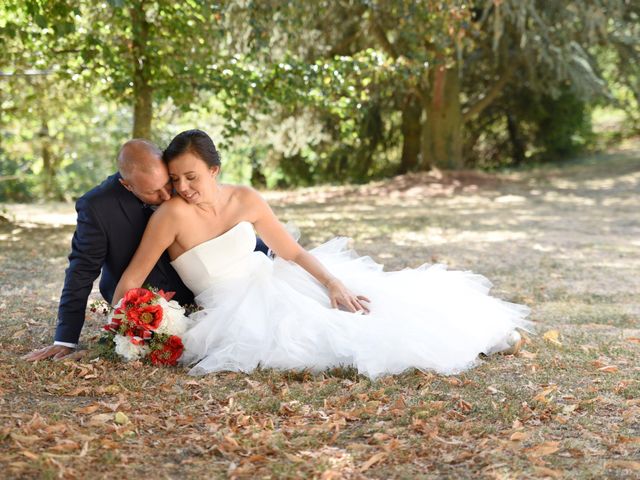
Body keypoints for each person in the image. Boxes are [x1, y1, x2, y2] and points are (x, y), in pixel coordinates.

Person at [111, 129, 531, 379]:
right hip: (230, 308)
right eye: (177, 178)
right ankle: (454, 345)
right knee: (325, 344)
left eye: (193, 177)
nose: (184, 187)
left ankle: (470, 336)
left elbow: (291, 251)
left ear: (214, 171)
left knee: (362, 307)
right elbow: (133, 277)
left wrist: (332, 282)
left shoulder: (246, 199)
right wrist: (122, 323)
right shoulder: (169, 216)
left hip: (277, 280)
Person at [23, 139, 269, 362]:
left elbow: (218, 229)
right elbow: (81, 270)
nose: (166, 196)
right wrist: (65, 339)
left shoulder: (180, 181)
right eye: (153, 192)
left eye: (166, 185)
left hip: (196, 294)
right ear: (127, 185)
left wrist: (266, 252)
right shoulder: (98, 207)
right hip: (139, 301)